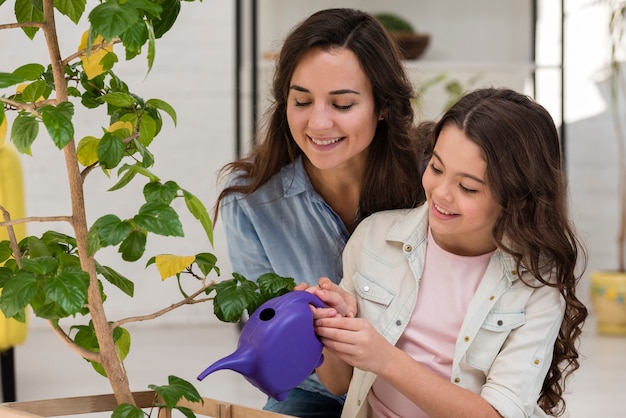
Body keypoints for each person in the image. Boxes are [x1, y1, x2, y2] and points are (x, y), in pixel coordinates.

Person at [306, 87, 588, 418]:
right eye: (437, 168)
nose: (440, 193)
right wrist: (328, 325)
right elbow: (338, 383)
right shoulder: (375, 237)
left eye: (467, 187)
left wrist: (384, 358)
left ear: (518, 198)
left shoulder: (536, 285)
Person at [213, 8, 426, 417]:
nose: (319, 122)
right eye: (302, 100)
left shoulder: (429, 183)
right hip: (316, 392)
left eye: (343, 104)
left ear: (383, 106)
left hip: (412, 385)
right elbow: (283, 350)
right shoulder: (250, 201)